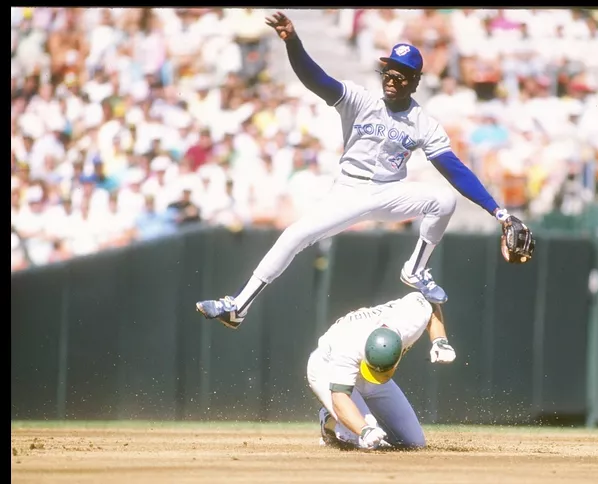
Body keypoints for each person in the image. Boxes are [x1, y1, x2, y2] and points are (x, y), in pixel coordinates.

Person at [195, 11, 535, 329]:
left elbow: (455, 169)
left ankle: (415, 270)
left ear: (415, 82)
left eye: (401, 76)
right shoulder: (360, 100)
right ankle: (238, 306)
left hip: (388, 193)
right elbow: (317, 80)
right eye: (388, 72)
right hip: (349, 191)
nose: (392, 80)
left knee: (444, 200)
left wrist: (501, 214)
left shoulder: (423, 123)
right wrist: (292, 42)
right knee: (295, 236)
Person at [307, 291, 457, 450]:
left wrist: (440, 340)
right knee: (368, 442)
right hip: (326, 370)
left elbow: (431, 304)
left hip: (363, 369)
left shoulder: (408, 322)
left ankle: (358, 422)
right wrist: (364, 430)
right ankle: (330, 421)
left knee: (414, 443)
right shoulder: (346, 348)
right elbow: (339, 397)